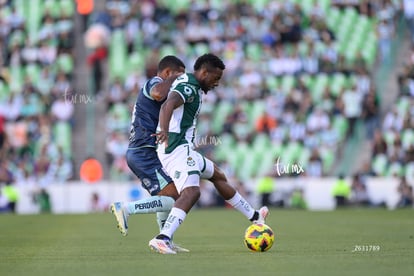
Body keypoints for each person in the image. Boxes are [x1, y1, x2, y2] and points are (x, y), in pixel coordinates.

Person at [149, 53, 269, 254]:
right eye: (216, 78)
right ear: (204, 72)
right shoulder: (189, 86)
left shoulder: (191, 85)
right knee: (192, 192)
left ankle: (255, 217)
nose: (217, 83)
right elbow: (168, 104)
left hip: (184, 147)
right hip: (176, 148)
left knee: (218, 175)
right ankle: (162, 238)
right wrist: (163, 130)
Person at [110, 56, 188, 251]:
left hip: (147, 151)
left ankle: (164, 240)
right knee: (176, 197)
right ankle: (125, 208)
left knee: (168, 197)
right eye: (179, 74)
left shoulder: (165, 86)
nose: (181, 78)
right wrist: (173, 79)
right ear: (169, 72)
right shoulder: (155, 82)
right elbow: (157, 94)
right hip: (143, 151)